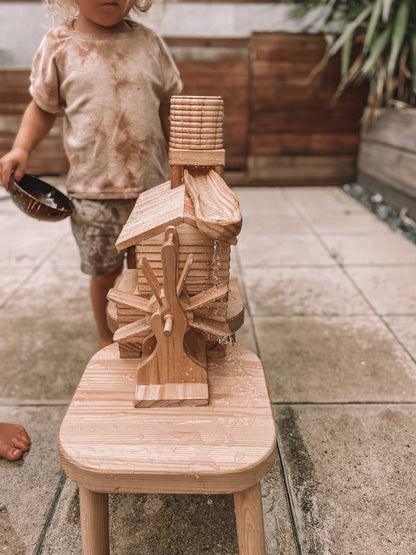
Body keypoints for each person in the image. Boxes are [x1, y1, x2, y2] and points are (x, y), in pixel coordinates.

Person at [0, 0, 182, 348]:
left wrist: (186, 161)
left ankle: (151, 335)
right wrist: (22, 148)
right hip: (93, 192)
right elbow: (42, 107)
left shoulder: (149, 43)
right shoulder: (60, 44)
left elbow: (169, 109)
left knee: (152, 274)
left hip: (153, 189)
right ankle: (106, 337)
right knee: (105, 274)